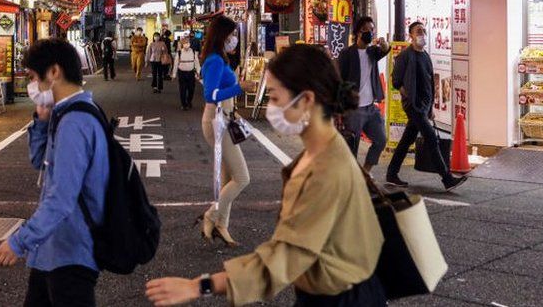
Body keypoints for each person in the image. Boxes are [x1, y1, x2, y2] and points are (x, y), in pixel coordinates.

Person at [146, 45, 386, 307]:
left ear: (305, 100)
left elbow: (281, 261)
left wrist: (200, 285)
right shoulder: (322, 152)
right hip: (333, 291)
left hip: (340, 299)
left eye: (274, 96)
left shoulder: (325, 169)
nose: (269, 106)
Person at [0, 38, 110, 306]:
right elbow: (40, 163)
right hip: (52, 250)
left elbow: (61, 198)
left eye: (33, 78)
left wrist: (19, 242)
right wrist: (41, 122)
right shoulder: (66, 113)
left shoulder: (75, 122)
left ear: (54, 72)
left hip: (71, 252)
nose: (31, 86)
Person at [386, 21, 467, 191]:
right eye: (418, 31)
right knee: (431, 137)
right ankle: (447, 179)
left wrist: (431, 108)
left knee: (406, 140)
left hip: (424, 106)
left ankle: (391, 174)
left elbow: (431, 81)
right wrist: (405, 93)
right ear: (411, 35)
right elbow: (396, 80)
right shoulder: (405, 56)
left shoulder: (425, 56)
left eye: (423, 31)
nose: (422, 34)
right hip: (413, 105)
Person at [198, 16, 248, 246]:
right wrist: (240, 87)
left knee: (228, 177)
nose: (234, 39)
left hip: (225, 119)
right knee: (242, 178)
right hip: (217, 121)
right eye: (232, 35)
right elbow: (211, 95)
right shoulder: (215, 61)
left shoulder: (219, 58)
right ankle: (211, 215)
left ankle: (222, 226)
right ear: (223, 36)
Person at [336, 16, 390, 174]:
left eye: (372, 30)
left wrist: (385, 44)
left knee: (380, 140)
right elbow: (340, 81)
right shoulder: (347, 54)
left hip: (370, 108)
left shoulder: (372, 52)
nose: (369, 33)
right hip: (353, 109)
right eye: (366, 30)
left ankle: (365, 172)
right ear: (357, 33)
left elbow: (385, 50)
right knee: (352, 147)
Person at [172, 36, 201, 111]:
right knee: (183, 89)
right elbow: (175, 64)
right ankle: (183, 104)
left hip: (191, 73)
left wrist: (198, 72)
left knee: (191, 89)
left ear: (190, 43)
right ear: (182, 44)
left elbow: (197, 63)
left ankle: (189, 101)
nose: (186, 44)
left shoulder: (194, 52)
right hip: (182, 73)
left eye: (187, 43)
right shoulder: (179, 52)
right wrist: (174, 74)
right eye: (184, 43)